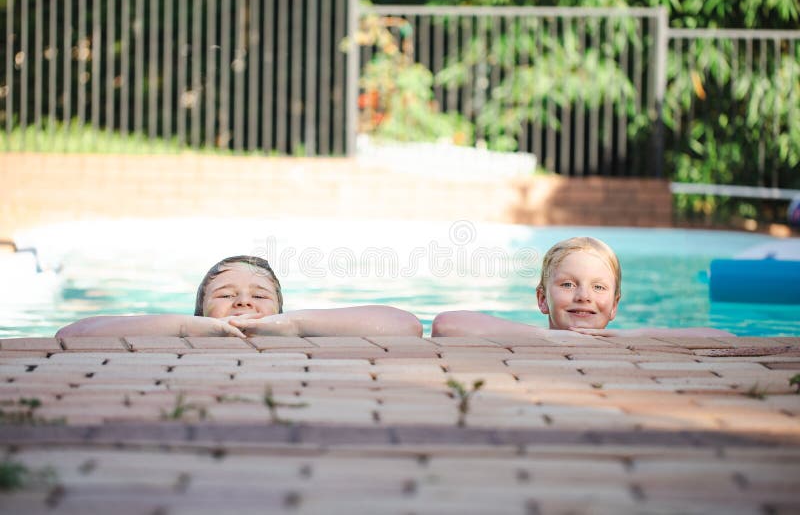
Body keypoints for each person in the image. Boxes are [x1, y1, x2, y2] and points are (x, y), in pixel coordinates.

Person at [432, 236, 734, 339]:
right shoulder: (528, 339)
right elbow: (447, 324)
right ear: (542, 299)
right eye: (567, 284)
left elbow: (723, 338)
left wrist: (623, 337)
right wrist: (552, 339)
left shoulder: (626, 342)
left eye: (599, 288)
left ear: (615, 306)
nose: (584, 296)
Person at [56, 255, 423, 338]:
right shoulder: (180, 332)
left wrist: (292, 325)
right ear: (200, 310)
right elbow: (73, 335)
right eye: (226, 294)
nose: (245, 302)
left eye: (260, 295)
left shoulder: (301, 329)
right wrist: (194, 328)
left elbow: (404, 326)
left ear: (281, 309)